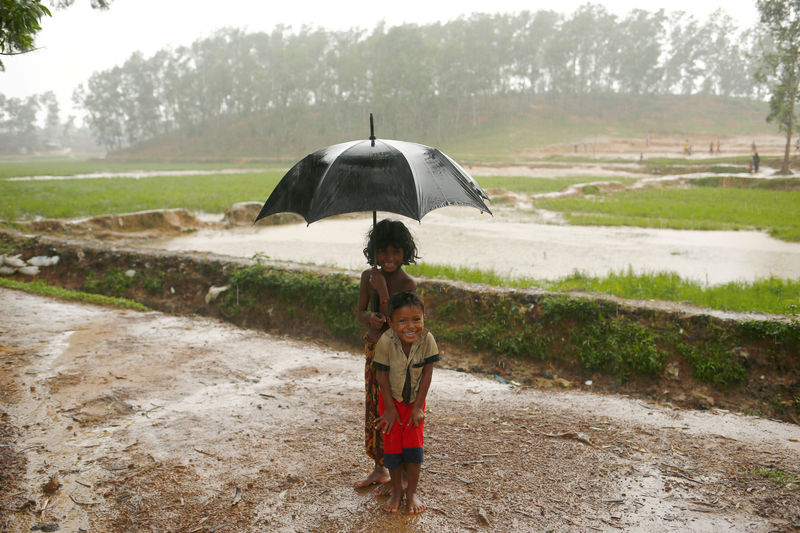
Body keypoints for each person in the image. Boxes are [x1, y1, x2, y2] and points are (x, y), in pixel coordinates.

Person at [353, 219, 418, 493]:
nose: (388, 258)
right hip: (373, 350)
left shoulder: (407, 283)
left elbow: (404, 324)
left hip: (397, 357)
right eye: (382, 251)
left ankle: (401, 473)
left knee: (395, 410)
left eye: (395, 252)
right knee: (374, 409)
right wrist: (371, 317)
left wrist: (382, 290)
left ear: (406, 252)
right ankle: (380, 468)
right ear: (373, 251)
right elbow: (360, 314)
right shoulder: (367, 277)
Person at [373, 291, 438, 514]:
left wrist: (419, 406)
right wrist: (389, 409)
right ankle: (397, 491)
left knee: (413, 447)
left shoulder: (427, 339)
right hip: (390, 402)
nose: (410, 326)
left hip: (415, 402)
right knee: (392, 446)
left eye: (416, 319)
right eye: (402, 321)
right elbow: (381, 376)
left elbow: (428, 374)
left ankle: (411, 492)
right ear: (391, 322)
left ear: (424, 318)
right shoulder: (385, 341)